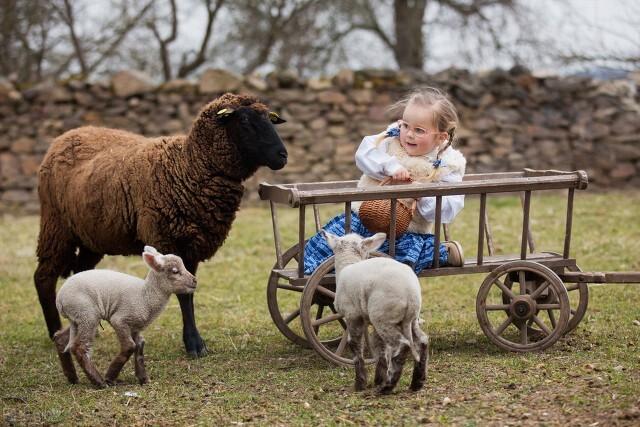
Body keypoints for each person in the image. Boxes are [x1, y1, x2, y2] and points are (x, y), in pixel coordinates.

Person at [303, 86, 466, 275]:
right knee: (335, 245)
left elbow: (449, 207)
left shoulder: (448, 164)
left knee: (403, 259)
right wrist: (391, 167)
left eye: (419, 130)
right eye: (405, 125)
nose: (409, 134)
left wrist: (423, 196)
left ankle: (444, 252)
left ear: (441, 137)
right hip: (364, 219)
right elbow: (364, 155)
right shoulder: (389, 141)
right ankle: (320, 267)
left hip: (405, 231)